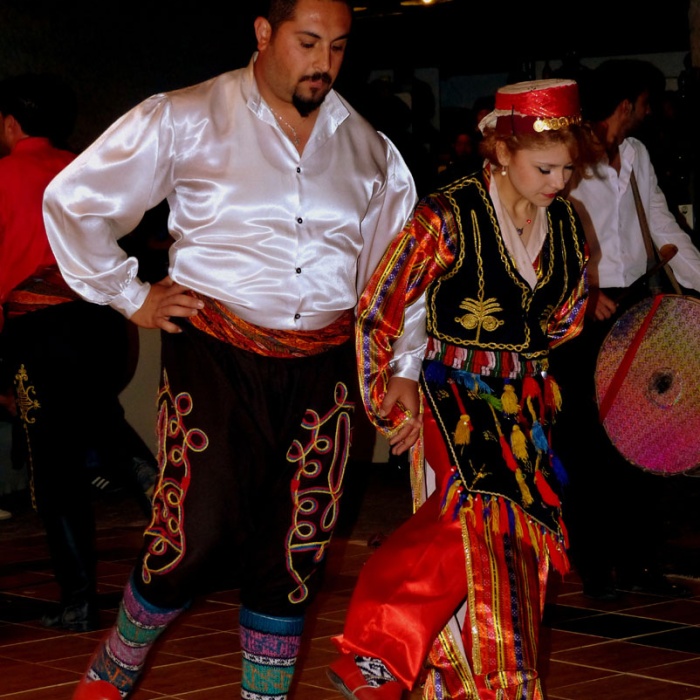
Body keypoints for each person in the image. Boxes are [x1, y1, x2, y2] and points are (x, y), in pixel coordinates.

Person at [42, 1, 418, 698]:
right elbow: (75, 201)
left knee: (298, 544)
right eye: (308, 42)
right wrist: (131, 293)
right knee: (195, 532)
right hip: (216, 352)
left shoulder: (370, 149)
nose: (324, 64)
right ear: (264, 32)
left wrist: (403, 366)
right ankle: (115, 664)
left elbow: (396, 270)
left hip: (326, 366)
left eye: (338, 47)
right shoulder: (185, 117)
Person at [327, 78, 596, 699]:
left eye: (567, 169)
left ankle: (428, 673)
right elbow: (381, 304)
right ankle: (383, 653)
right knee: (474, 523)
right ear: (501, 151)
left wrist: (522, 356)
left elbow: (568, 316)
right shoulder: (448, 215)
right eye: (545, 168)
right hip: (454, 400)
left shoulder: (566, 224)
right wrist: (388, 395)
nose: (559, 183)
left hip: (525, 409)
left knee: (514, 553)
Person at [0, 72, 158, 634]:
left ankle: (77, 601)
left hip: (42, 331)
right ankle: (141, 475)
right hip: (100, 324)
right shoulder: (84, 168)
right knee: (101, 423)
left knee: (54, 466)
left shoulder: (4, 175)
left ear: (11, 123)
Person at [551, 59, 700, 600]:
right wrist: (582, 294)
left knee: (644, 439)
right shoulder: (569, 153)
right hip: (584, 314)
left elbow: (662, 225)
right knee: (589, 445)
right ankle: (595, 565)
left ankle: (639, 562)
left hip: (635, 308)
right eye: (644, 102)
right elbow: (548, 230)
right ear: (626, 104)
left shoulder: (635, 154)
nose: (647, 111)